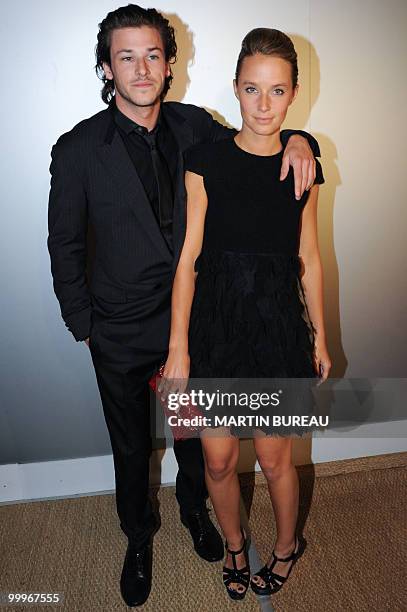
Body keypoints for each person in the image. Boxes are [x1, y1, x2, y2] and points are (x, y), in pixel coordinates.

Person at [47, 4, 321, 607]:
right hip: (118, 330)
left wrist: (300, 139)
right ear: (107, 66)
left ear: (169, 63)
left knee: (198, 441)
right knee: (131, 445)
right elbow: (64, 243)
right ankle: (138, 538)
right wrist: (84, 326)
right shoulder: (76, 149)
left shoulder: (197, 126)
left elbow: (257, 140)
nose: (141, 69)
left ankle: (198, 514)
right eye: (127, 56)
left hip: (192, 323)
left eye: (153, 54)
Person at [163, 27, 331, 601]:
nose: (264, 105)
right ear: (235, 88)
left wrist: (322, 339)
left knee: (274, 454)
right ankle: (235, 543)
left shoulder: (304, 166)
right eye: (253, 89)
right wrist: (179, 346)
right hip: (215, 323)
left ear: (294, 93)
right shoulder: (204, 160)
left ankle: (286, 547)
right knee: (216, 461)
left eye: (277, 91)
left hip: (278, 324)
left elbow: (309, 258)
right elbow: (188, 257)